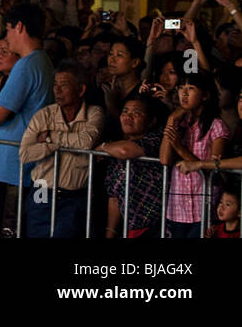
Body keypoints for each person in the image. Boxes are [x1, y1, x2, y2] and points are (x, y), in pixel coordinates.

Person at [0, 2, 54, 237]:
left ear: (19, 27)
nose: (6, 37)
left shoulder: (26, 64)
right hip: (24, 164)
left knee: (4, 229)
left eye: (8, 30)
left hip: (11, 166)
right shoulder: (42, 61)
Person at [17, 61, 104, 238]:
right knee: (37, 232)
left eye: (63, 85)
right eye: (55, 84)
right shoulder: (45, 114)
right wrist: (59, 145)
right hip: (41, 188)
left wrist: (50, 137)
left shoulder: (94, 113)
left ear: (80, 90)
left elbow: (86, 142)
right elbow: (25, 154)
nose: (57, 90)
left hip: (74, 193)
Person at [161, 72, 228, 237]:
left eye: (191, 88)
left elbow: (213, 171)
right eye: (181, 88)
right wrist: (171, 120)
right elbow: (164, 159)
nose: (184, 93)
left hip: (204, 207)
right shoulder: (179, 123)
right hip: (177, 208)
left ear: (205, 95)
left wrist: (180, 148)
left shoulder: (216, 125)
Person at [98, 94, 166, 238]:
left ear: (151, 121)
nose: (128, 117)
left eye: (136, 113)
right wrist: (110, 232)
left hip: (157, 227)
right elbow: (114, 196)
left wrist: (103, 147)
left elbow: (126, 151)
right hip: (132, 228)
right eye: (125, 112)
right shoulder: (115, 147)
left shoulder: (156, 140)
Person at [100, 35, 144, 124]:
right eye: (110, 54)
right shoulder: (106, 89)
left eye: (119, 55)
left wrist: (111, 105)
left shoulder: (143, 92)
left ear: (135, 62)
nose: (112, 59)